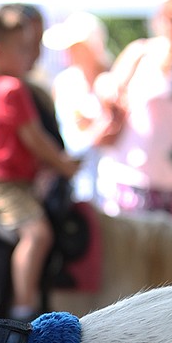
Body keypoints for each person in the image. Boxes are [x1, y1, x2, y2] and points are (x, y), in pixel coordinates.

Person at [0, 12, 79, 321]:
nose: (30, 55)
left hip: (5, 178)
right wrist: (63, 164)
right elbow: (34, 137)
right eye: (22, 49)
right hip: (1, 181)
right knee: (38, 234)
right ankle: (24, 307)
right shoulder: (12, 88)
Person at [96, 0, 172, 216]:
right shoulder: (141, 53)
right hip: (132, 175)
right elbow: (107, 84)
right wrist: (108, 92)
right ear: (160, 19)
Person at [43, 11, 123, 204]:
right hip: (75, 176)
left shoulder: (111, 81)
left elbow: (113, 132)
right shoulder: (65, 82)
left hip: (108, 178)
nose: (68, 52)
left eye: (75, 47)